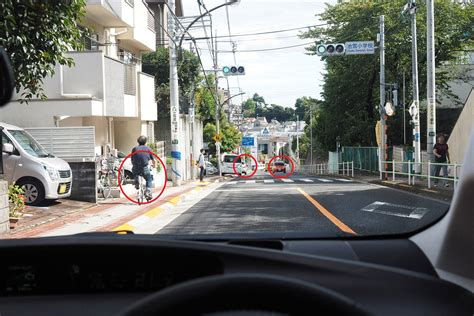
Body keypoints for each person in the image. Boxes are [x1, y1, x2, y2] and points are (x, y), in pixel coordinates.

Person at [131, 136, 155, 201]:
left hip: (136, 168)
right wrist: (154, 165)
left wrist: (134, 165)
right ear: (145, 142)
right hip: (144, 168)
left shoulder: (134, 149)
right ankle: (148, 191)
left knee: (135, 172)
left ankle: (136, 180)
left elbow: (132, 159)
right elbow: (153, 159)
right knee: (149, 179)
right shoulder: (148, 149)